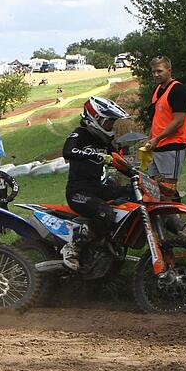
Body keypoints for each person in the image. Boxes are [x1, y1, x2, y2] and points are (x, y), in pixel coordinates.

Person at [61, 97, 131, 270]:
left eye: (112, 123)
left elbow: (119, 162)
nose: (110, 127)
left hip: (99, 189)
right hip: (78, 192)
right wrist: (94, 155)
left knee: (133, 193)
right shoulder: (80, 134)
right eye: (108, 122)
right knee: (104, 212)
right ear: (95, 118)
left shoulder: (104, 142)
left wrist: (136, 172)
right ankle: (73, 247)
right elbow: (68, 151)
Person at [147, 55, 186, 241]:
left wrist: (157, 138)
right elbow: (156, 119)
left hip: (173, 146)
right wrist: (150, 139)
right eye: (153, 72)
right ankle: (165, 231)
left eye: (160, 71)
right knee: (152, 189)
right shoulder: (158, 90)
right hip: (157, 146)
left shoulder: (178, 90)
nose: (156, 75)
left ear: (169, 70)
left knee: (167, 190)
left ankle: (184, 231)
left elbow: (178, 121)